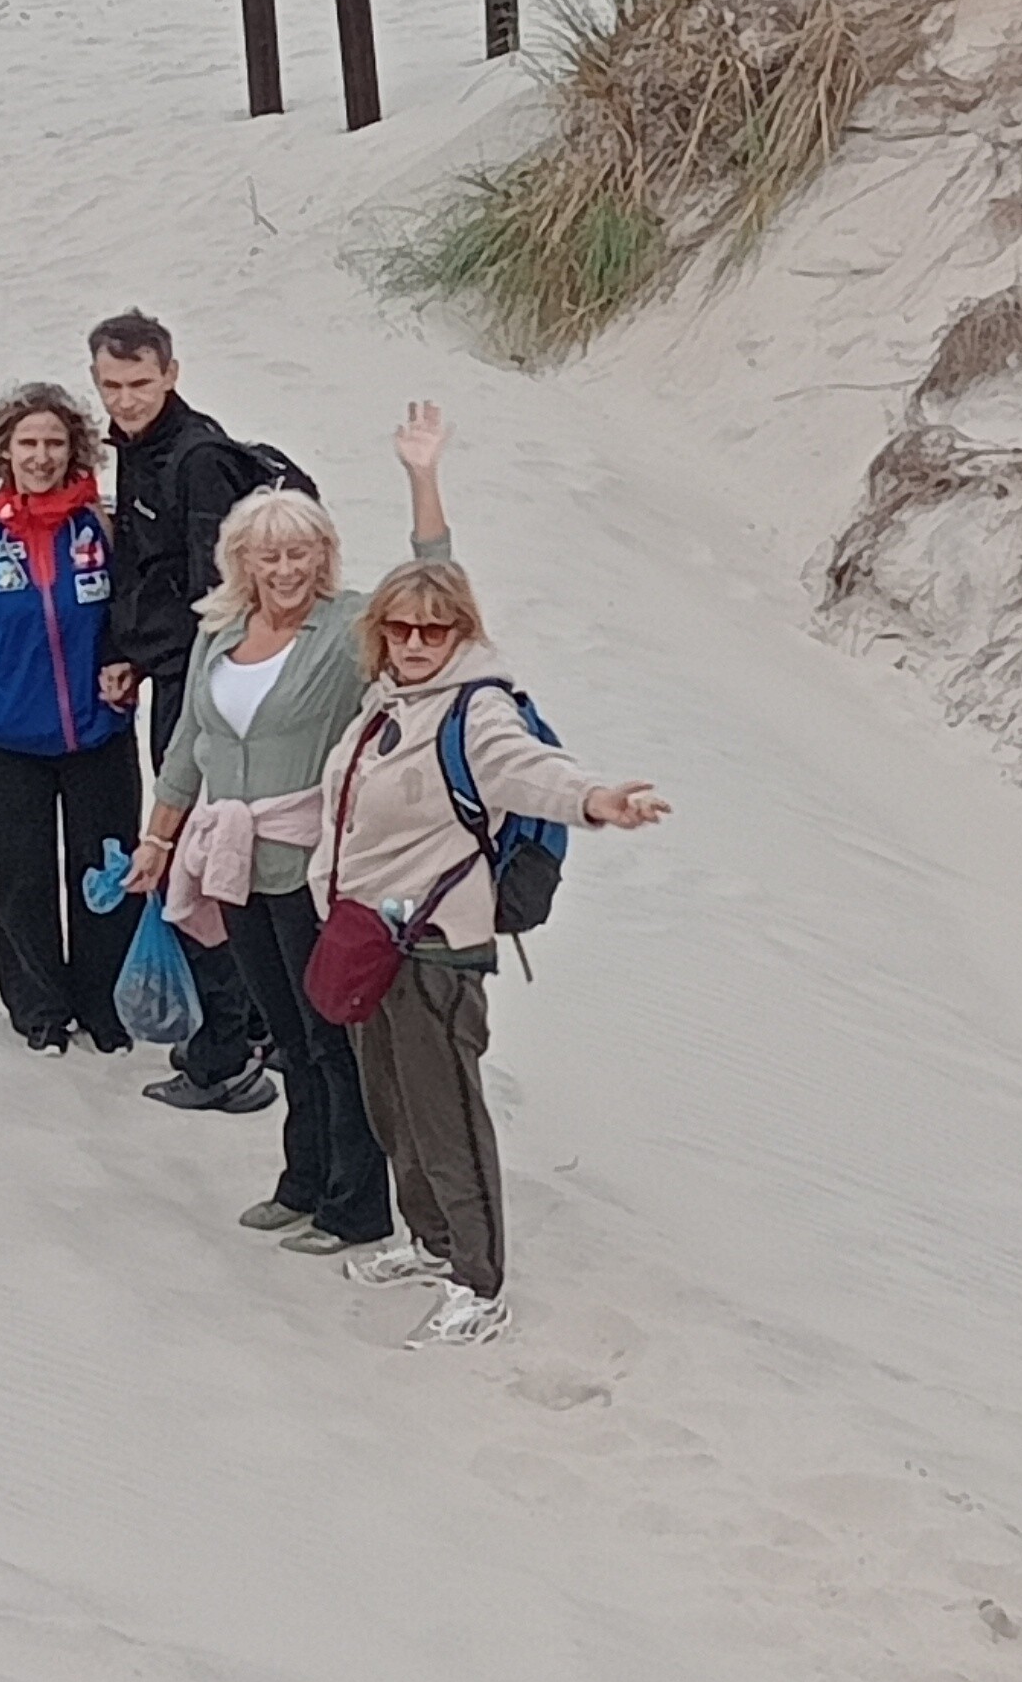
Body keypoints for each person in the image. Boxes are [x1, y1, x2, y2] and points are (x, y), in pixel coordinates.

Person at [308, 553, 666, 1348]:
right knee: (392, 1106)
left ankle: (478, 1284)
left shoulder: (476, 710)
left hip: (434, 946)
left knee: (448, 1121)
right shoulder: (386, 702)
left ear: (461, 633)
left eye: (434, 630)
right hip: (370, 940)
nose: (415, 642)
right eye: (400, 627)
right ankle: (430, 1241)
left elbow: (526, 770)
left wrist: (596, 800)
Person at [124, 406, 454, 1255]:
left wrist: (422, 477)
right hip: (234, 865)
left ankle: (356, 1207)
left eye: (300, 553)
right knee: (287, 1038)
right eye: (269, 555)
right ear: (242, 560)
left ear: (323, 556)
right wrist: (157, 842)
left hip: (314, 869)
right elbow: (190, 744)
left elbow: (436, 593)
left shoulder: (348, 630)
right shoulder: (220, 632)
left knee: (332, 1037)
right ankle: (300, 1183)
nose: (285, 569)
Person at [87, 310, 279, 1114]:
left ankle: (224, 1056)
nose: (125, 400)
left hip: (207, 693)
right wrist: (129, 649)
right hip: (174, 676)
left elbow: (218, 600)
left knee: (193, 859)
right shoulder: (138, 448)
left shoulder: (197, 460)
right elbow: (151, 570)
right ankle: (254, 1029)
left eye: (139, 383)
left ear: (171, 374)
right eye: (111, 385)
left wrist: (198, 702)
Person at [0, 383, 140, 1055]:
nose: (42, 456)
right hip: (9, 744)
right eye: (28, 443)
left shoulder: (106, 530)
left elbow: (141, 617)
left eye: (54, 442)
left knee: (106, 873)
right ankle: (38, 1008)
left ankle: (105, 1006)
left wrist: (128, 669)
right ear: (5, 452)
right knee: (18, 880)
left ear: (74, 449)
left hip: (99, 736)